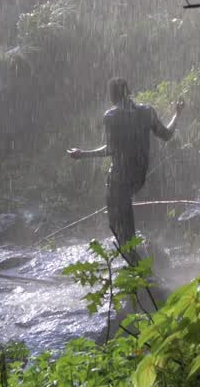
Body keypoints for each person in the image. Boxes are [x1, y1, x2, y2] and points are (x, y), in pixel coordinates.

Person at [67, 77, 184, 267]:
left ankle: (141, 272)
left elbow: (111, 149)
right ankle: (144, 264)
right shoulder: (147, 112)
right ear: (128, 92)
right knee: (126, 225)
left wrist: (83, 154)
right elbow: (167, 135)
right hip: (138, 178)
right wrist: (177, 114)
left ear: (113, 96)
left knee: (119, 229)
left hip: (118, 179)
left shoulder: (111, 116)